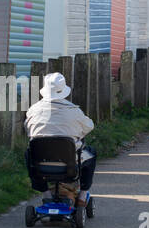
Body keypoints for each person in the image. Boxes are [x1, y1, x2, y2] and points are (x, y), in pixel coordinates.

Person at [24, 72, 96, 205]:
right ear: (63, 91)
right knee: (91, 152)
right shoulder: (74, 111)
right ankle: (82, 195)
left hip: (40, 163)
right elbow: (89, 126)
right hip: (69, 162)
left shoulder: (33, 110)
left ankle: (46, 194)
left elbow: (28, 129)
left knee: (29, 153)